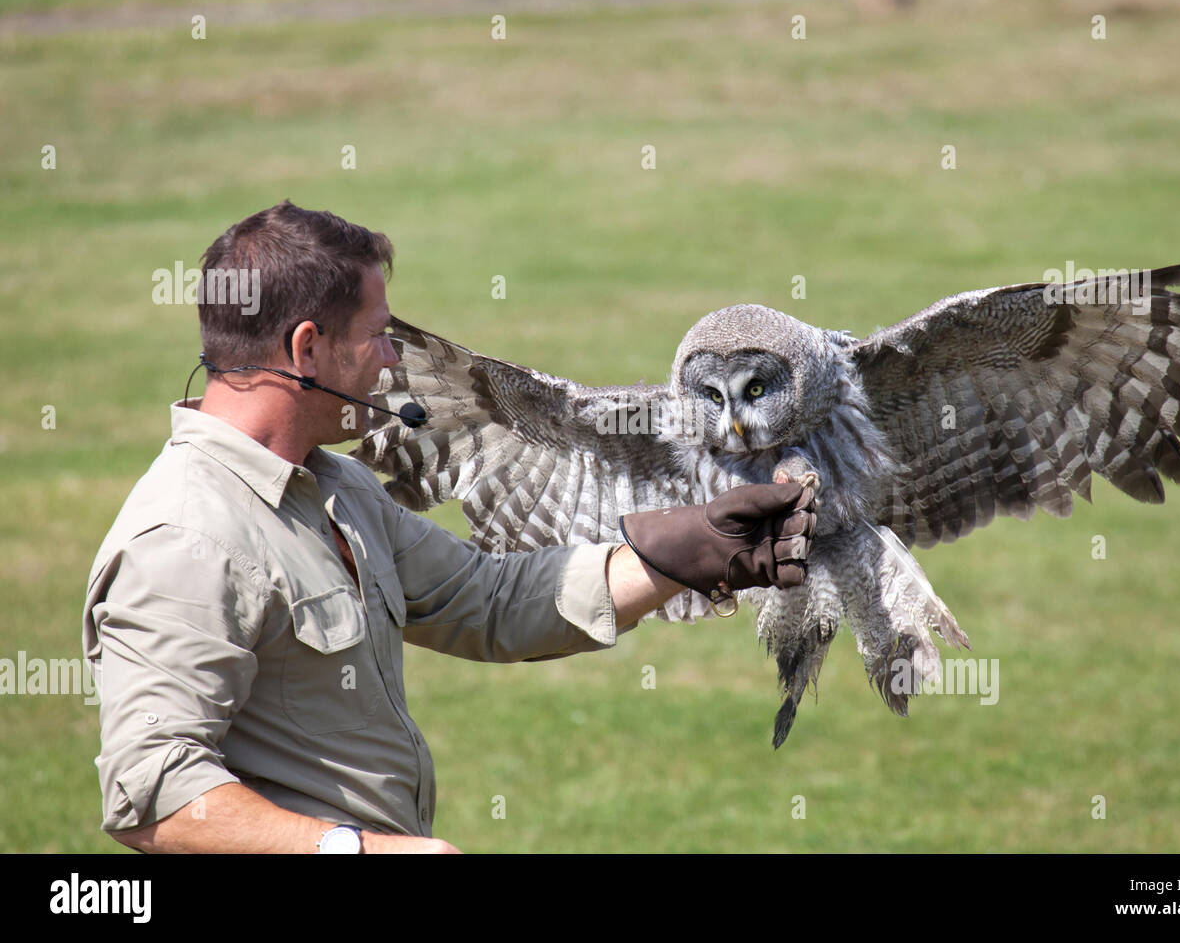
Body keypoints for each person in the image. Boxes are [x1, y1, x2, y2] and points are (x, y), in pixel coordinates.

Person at [82, 200, 816, 853]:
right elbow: (152, 795)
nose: (394, 358)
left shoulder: (334, 487)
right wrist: (357, 852)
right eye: (377, 335)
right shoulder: (185, 538)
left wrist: (691, 548)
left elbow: (489, 600)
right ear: (307, 350)